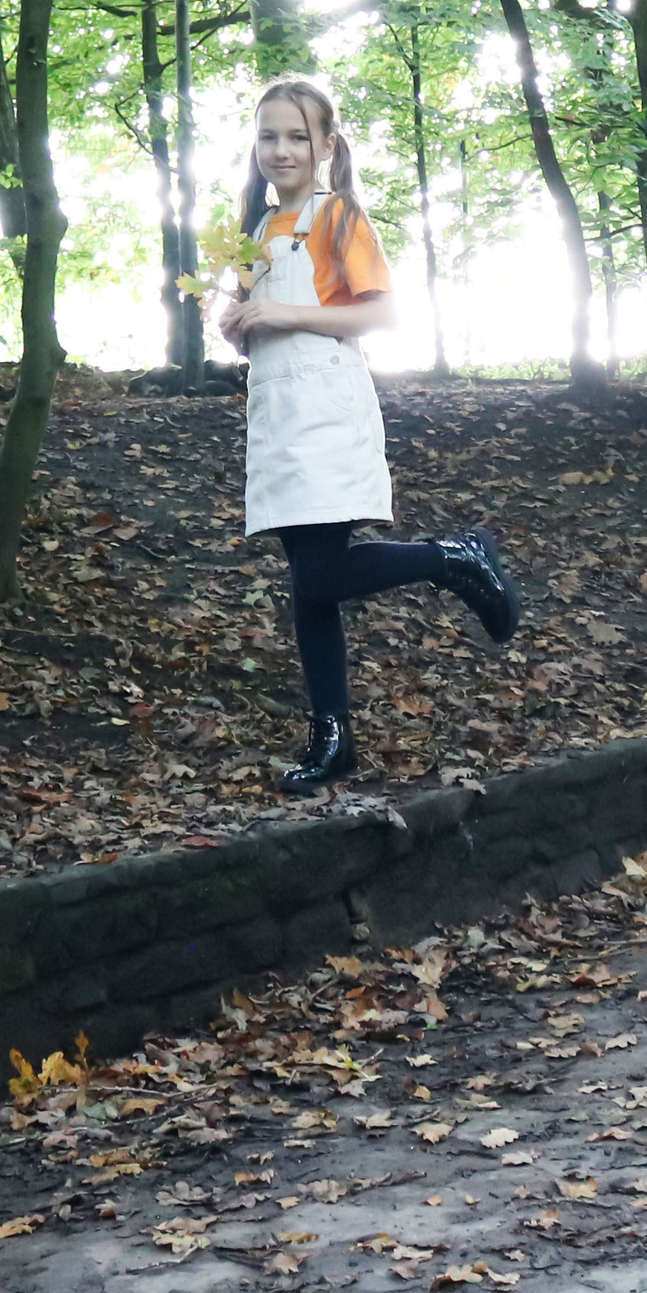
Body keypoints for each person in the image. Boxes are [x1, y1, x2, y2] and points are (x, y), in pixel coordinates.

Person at [215, 76, 520, 794]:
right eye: (268, 136)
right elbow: (257, 329)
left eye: (297, 136)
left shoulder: (340, 218)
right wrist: (238, 326)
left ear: (325, 146)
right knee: (311, 588)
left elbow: (380, 316)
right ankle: (333, 738)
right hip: (275, 412)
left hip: (326, 401)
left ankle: (452, 557)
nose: (280, 150)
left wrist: (283, 315)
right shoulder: (251, 232)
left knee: (318, 575)